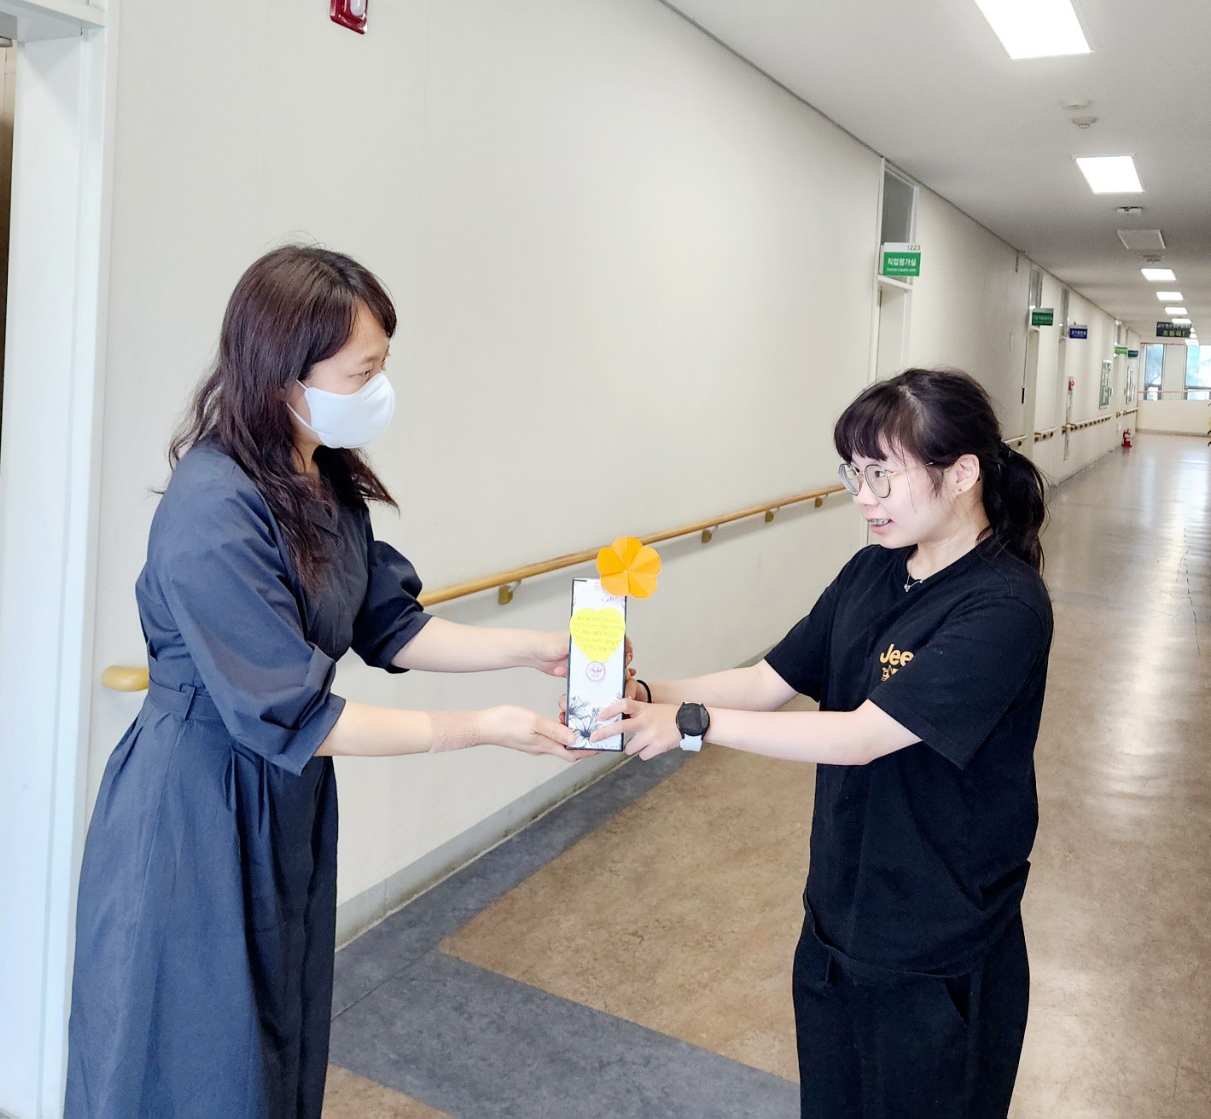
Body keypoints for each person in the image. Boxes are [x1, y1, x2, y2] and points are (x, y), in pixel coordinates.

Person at [65, 245, 583, 1118]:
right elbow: (299, 712)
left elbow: (390, 623)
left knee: (281, 1032)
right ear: (283, 375)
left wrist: (534, 649)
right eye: (362, 372)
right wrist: (484, 727)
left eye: (382, 365)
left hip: (285, 793)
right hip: (198, 803)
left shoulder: (321, 475)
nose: (379, 389)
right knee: (199, 1059)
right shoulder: (212, 508)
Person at [597, 368, 1052, 1118]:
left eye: (882, 474)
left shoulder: (1003, 604)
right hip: (840, 921)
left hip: (939, 944)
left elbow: (862, 736)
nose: (863, 497)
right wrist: (648, 695)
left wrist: (689, 725)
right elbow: (767, 680)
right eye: (853, 474)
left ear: (963, 472)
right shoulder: (871, 571)